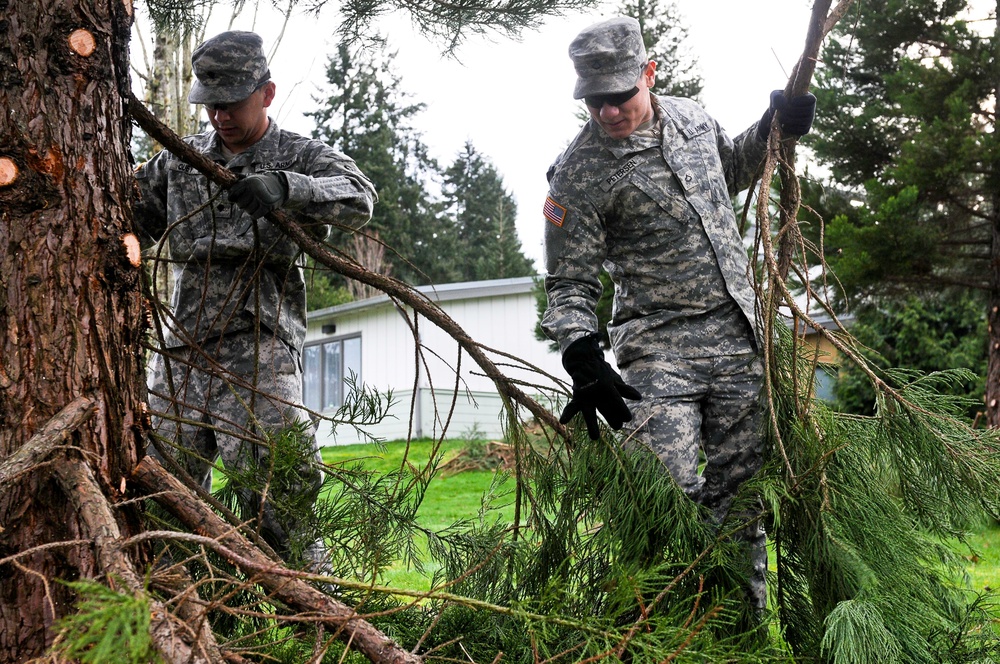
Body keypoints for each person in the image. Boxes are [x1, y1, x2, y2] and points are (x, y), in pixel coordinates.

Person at [541, 17, 815, 612]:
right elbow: (568, 281)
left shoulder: (691, 117)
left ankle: (739, 634)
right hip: (659, 350)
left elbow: (734, 170)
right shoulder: (578, 172)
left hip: (739, 339)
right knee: (659, 493)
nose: (608, 111)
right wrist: (579, 348)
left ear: (649, 73)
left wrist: (774, 128)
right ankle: (662, 630)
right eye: (595, 101)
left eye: (620, 96)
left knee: (741, 502)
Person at [134, 31, 376, 569]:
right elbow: (123, 215)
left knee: (281, 502)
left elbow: (360, 197)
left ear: (266, 94)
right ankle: (188, 623)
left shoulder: (300, 154)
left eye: (232, 103)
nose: (219, 116)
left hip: (259, 348)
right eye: (210, 104)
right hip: (182, 351)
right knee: (160, 498)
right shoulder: (180, 160)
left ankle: (319, 627)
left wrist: (289, 188)